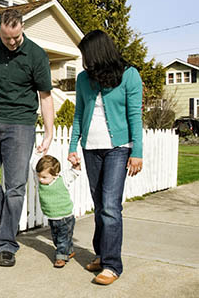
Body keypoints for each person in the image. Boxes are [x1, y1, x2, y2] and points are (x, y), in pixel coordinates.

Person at [0, 8, 54, 267]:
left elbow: (45, 95)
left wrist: (49, 131)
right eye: (7, 37)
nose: (12, 42)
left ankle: (7, 244)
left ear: (22, 28)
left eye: (17, 37)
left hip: (20, 125)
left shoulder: (36, 55)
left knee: (16, 186)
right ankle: (6, 229)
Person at [68, 29, 143, 285]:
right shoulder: (83, 79)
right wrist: (72, 147)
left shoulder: (129, 75)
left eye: (86, 55)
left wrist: (137, 152)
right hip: (91, 148)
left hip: (118, 148)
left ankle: (112, 265)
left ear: (98, 53)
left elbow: (135, 116)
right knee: (99, 205)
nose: (84, 61)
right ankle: (101, 254)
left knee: (111, 206)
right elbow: (79, 114)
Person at [32, 154, 80, 268]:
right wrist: (38, 154)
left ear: (55, 175)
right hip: (52, 217)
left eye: (44, 177)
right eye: (39, 176)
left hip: (65, 217)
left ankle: (60, 257)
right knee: (57, 238)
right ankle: (69, 251)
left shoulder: (63, 179)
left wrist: (76, 165)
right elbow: (33, 167)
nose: (40, 179)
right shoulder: (40, 181)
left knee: (62, 239)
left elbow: (75, 173)